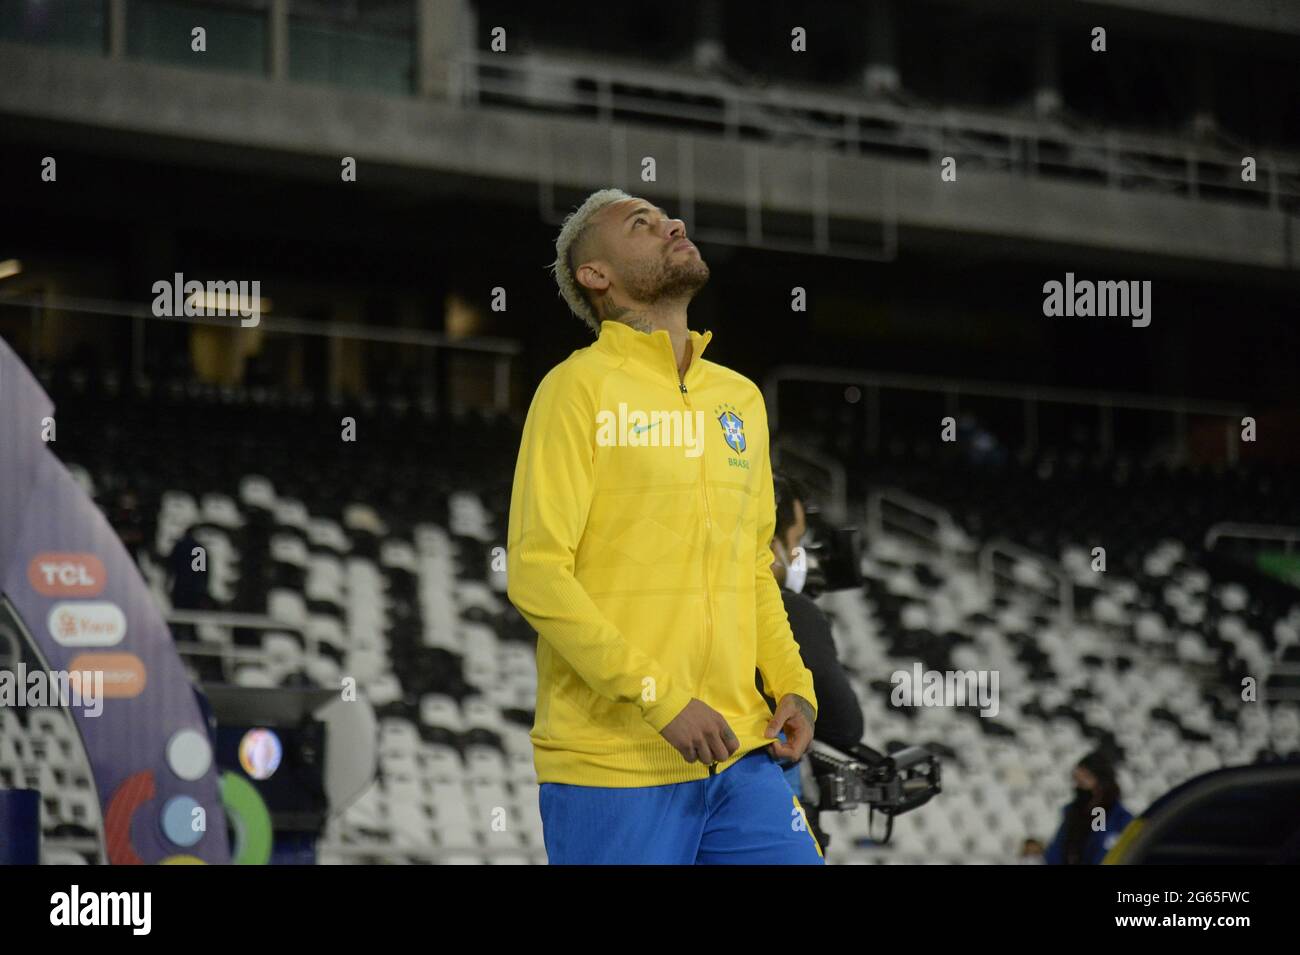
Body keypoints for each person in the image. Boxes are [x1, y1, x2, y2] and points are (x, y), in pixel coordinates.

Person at [507, 187, 823, 864]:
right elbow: (536, 573)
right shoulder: (576, 389)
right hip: (615, 764)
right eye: (641, 224)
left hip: (741, 751)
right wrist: (661, 698)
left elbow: (751, 568)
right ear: (598, 276)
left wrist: (794, 682)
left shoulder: (738, 397)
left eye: (667, 217)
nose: (673, 223)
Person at [1044, 749, 1134, 864]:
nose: (1080, 785)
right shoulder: (1073, 812)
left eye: (1086, 778)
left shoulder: (1112, 816)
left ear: (1101, 782)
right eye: (1077, 779)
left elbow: (1101, 847)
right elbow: (1056, 850)